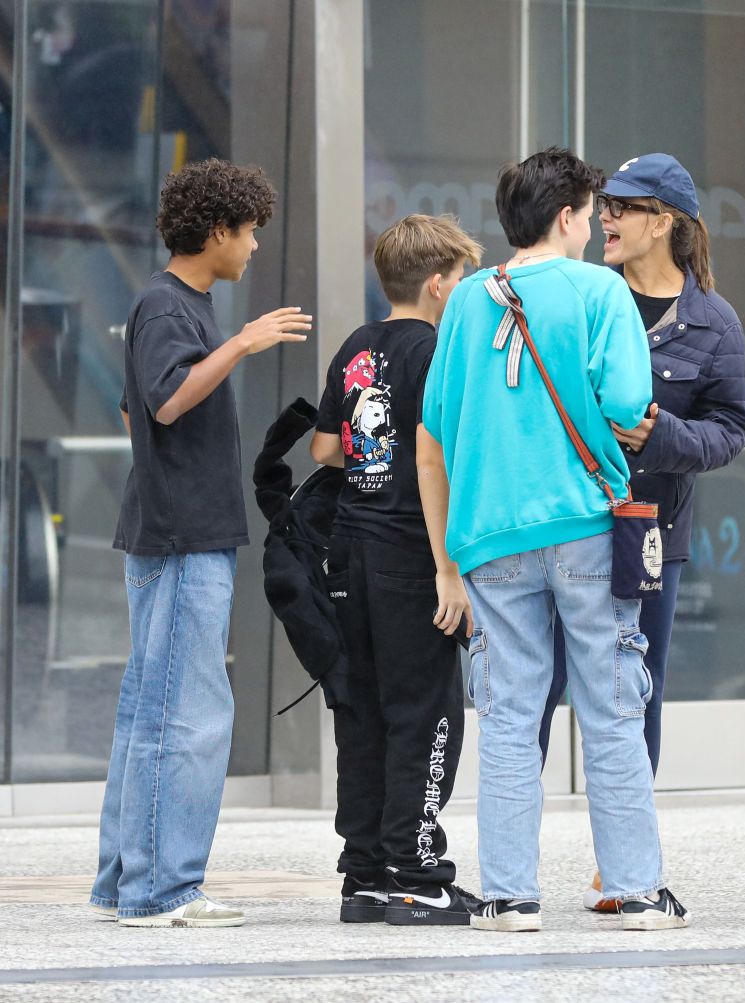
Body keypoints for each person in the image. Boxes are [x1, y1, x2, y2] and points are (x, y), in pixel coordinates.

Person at [422, 147, 689, 932]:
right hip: (585, 526)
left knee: (507, 711)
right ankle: (637, 888)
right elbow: (627, 401)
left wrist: (445, 556)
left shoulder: (470, 299)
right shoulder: (601, 289)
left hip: (490, 536)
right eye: (590, 212)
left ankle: (509, 895)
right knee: (610, 704)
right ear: (568, 215)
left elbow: (434, 430)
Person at [90, 159, 311, 927]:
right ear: (217, 230)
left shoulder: (171, 305)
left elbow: (134, 414)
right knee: (187, 713)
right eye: (249, 232)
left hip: (171, 525)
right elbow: (167, 399)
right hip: (185, 536)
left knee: (151, 709)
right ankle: (161, 889)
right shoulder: (169, 306)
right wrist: (245, 343)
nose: (252, 248)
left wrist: (162, 474)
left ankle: (126, 882)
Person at [537, 153, 745, 912]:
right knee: (536, 689)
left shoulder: (713, 320)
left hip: (647, 534)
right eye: (605, 207)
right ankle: (511, 860)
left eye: (622, 208)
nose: (606, 219)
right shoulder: (585, 297)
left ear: (663, 221)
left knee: (635, 692)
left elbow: (729, 432)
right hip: (559, 524)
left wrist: (659, 434)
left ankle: (622, 861)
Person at [310, 214, 484, 926]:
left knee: (365, 711)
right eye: (462, 283)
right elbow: (432, 453)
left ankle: (367, 874)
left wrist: (369, 468)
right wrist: (449, 567)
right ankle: (417, 872)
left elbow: (324, 447)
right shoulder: (435, 351)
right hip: (414, 554)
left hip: (350, 550)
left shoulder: (357, 347)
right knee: (426, 712)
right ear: (439, 284)